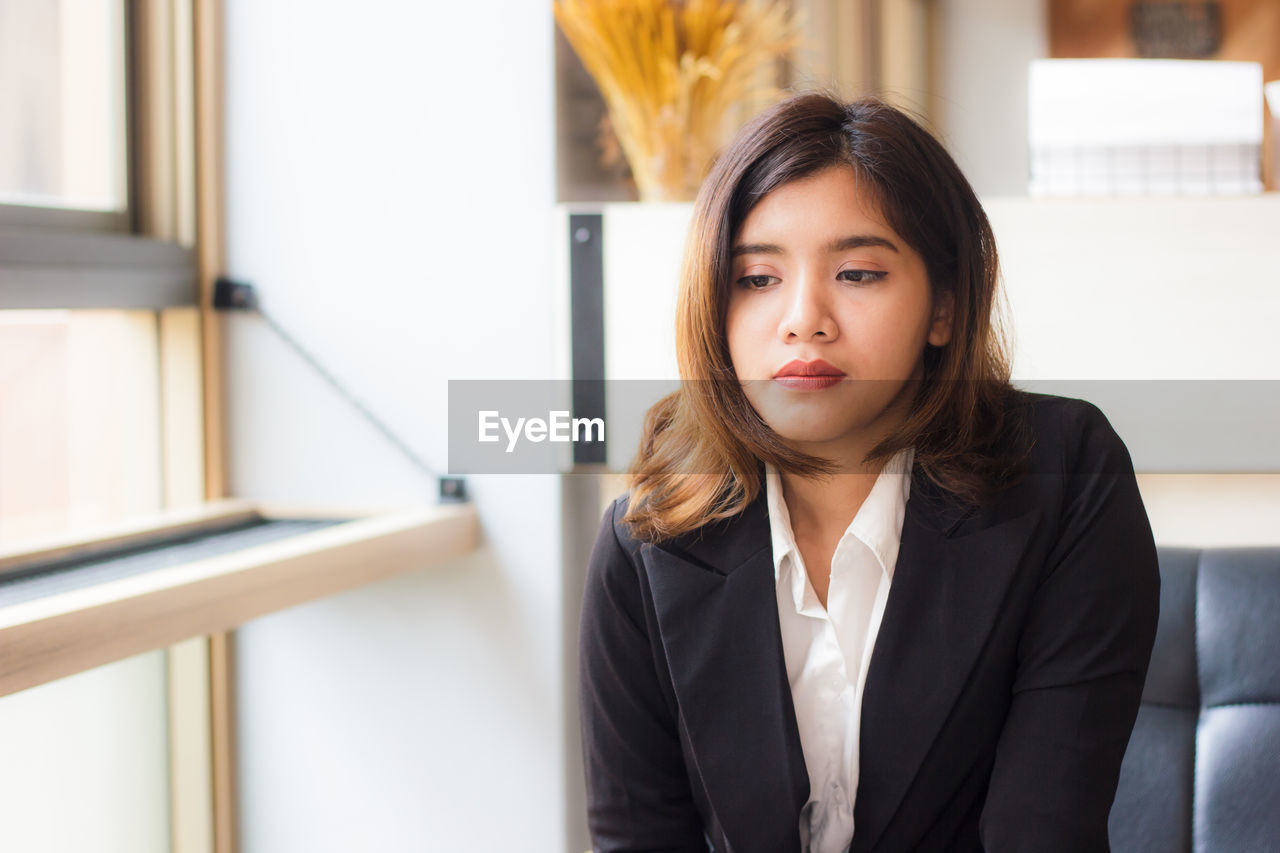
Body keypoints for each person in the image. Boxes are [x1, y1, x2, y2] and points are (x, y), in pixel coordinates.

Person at [577, 91, 1160, 853]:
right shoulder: (645, 540)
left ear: (943, 307)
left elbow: (1041, 830)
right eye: (756, 279)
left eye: (856, 273)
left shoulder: (1069, 474)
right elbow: (638, 835)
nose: (804, 318)